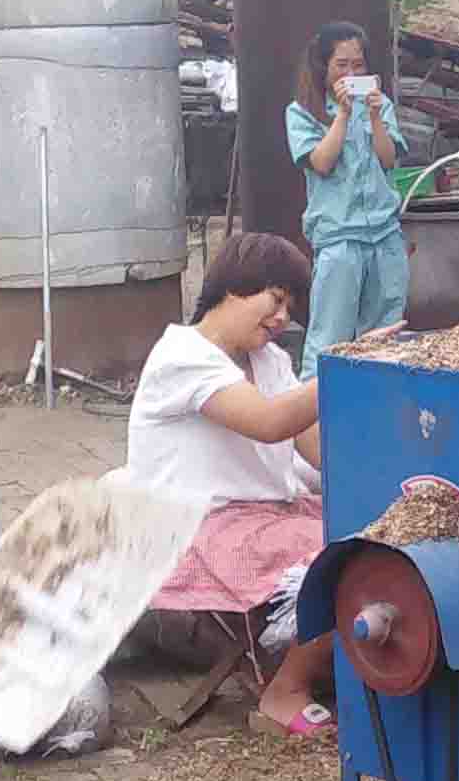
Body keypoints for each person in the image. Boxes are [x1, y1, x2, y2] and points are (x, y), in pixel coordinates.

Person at [125, 229, 341, 737]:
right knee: (345, 554)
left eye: (290, 306)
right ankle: (284, 691)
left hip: (264, 515)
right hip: (199, 526)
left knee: (371, 525)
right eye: (276, 299)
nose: (283, 318)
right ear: (235, 287)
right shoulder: (182, 357)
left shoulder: (269, 360)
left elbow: (313, 448)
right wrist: (340, 372)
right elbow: (268, 421)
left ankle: (341, 660)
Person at [286, 20, 409, 375]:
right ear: (323, 65)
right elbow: (321, 163)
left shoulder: (380, 105)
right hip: (340, 239)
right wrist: (342, 114)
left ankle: (376, 410)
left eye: (358, 65)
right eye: (342, 64)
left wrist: (373, 116)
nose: (351, 72)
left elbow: (388, 159)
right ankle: (313, 419)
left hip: (385, 236)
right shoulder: (302, 112)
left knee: (385, 337)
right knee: (330, 337)